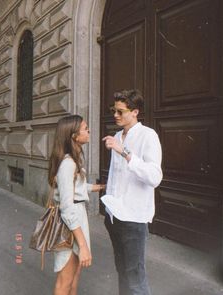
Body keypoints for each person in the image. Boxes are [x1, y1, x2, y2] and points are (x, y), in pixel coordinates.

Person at [101, 89, 163, 295]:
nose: (115, 115)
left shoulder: (148, 136)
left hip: (134, 218)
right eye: (114, 110)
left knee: (135, 277)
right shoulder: (118, 135)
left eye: (120, 111)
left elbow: (155, 177)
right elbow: (116, 176)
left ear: (135, 112)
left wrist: (124, 152)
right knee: (122, 272)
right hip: (114, 216)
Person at [48, 114, 105, 295]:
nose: (89, 131)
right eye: (85, 128)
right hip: (70, 223)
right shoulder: (68, 164)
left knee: (74, 277)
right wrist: (83, 245)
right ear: (74, 135)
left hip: (76, 219)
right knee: (65, 281)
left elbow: (76, 187)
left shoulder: (73, 161)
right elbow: (67, 208)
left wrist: (99, 187)